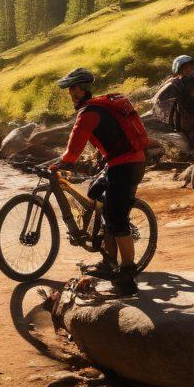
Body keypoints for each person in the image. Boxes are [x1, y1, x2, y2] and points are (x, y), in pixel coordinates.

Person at [52, 67, 148, 296]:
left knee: (116, 220)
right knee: (95, 194)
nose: (69, 93)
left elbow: (72, 153)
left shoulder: (88, 113)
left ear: (77, 89)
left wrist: (60, 164)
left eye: (70, 89)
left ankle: (127, 277)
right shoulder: (97, 107)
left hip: (126, 166)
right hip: (119, 163)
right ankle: (108, 261)